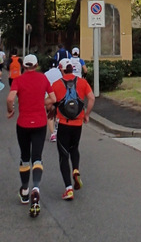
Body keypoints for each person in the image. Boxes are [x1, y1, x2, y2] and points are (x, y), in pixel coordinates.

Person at [6, 54, 55, 218]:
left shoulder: (18, 80)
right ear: (36, 65)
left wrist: (10, 109)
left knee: (25, 157)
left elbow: (10, 97)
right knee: (37, 158)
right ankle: (36, 188)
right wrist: (43, 103)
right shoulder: (43, 79)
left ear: (24, 66)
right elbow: (53, 98)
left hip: (23, 123)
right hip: (40, 123)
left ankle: (25, 190)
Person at [51, 58, 95, 200]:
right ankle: (76, 169)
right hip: (78, 123)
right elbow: (92, 98)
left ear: (61, 69)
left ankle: (68, 189)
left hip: (63, 123)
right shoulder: (82, 82)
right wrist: (86, 115)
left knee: (63, 155)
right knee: (74, 148)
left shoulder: (56, 84)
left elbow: (49, 101)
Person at [45, 62, 63, 142]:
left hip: (50, 96)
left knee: (50, 114)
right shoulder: (60, 72)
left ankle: (53, 134)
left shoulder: (46, 74)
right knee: (59, 113)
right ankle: (58, 129)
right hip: (59, 95)